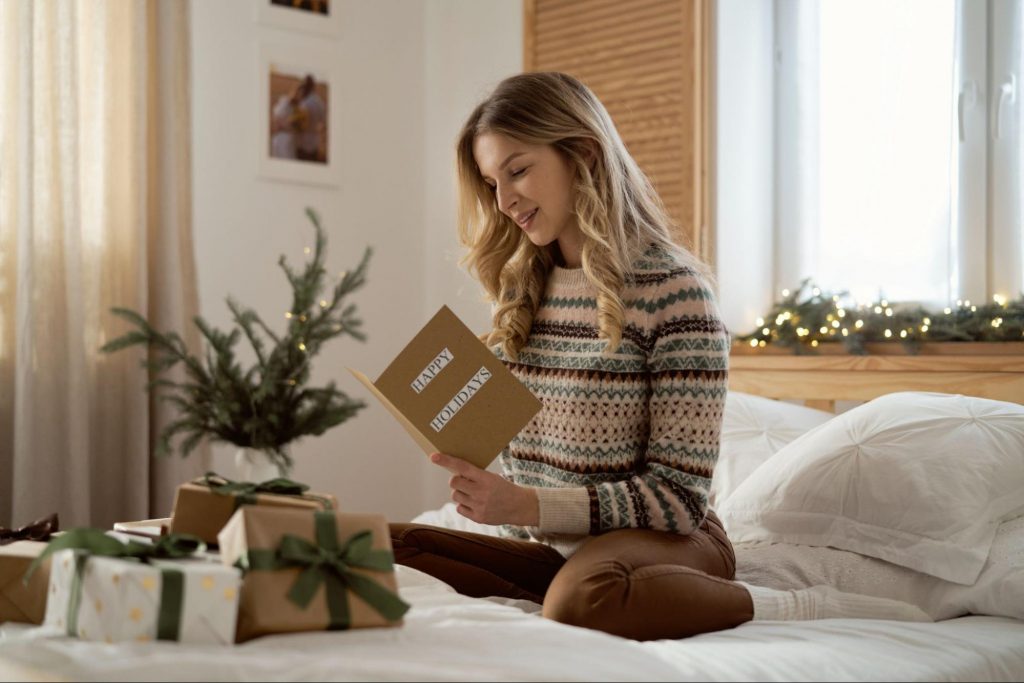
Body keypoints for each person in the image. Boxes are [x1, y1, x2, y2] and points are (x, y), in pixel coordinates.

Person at [389, 71, 931, 641]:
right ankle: (561, 591)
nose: (505, 200)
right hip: (560, 552)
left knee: (582, 601)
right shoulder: (524, 292)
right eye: (492, 182)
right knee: (379, 546)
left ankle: (783, 607)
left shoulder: (675, 293)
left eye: (518, 170)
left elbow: (678, 499)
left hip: (672, 543)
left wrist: (528, 504)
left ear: (583, 154)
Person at [295, 75, 326, 162]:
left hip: (302, 144)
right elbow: (323, 123)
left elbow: (299, 125)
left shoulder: (304, 103)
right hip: (314, 143)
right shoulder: (320, 102)